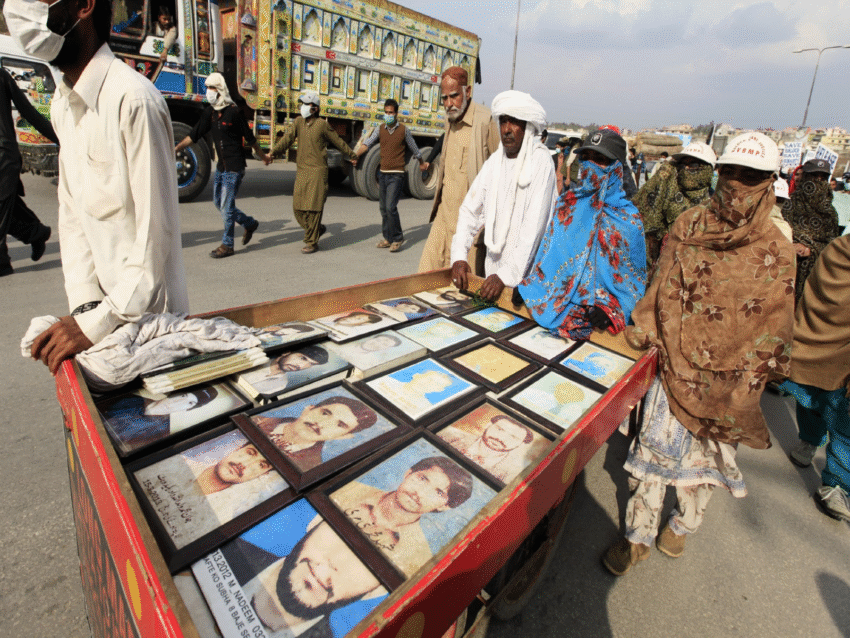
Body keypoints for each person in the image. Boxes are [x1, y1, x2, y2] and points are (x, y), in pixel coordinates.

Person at [602, 131, 795, 576]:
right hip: (676, 362)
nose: (737, 183)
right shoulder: (689, 224)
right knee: (653, 455)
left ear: (769, 181)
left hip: (733, 377)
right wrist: (645, 328)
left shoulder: (777, 244)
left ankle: (682, 527)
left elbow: (777, 317)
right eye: (731, 172)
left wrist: (754, 376)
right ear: (718, 173)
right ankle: (636, 537)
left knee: (707, 462)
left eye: (751, 176)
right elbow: (661, 284)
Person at [11, 0, 191, 373]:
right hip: (103, 323)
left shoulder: (134, 100)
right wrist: (85, 310)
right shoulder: (63, 104)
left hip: (152, 327)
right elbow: (72, 215)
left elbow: (155, 232)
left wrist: (98, 322)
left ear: (83, 6)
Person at [518, 128, 647, 340]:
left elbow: (634, 284)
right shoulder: (566, 206)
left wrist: (614, 311)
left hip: (602, 334)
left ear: (617, 168)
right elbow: (548, 258)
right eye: (586, 157)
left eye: (600, 159)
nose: (590, 165)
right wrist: (531, 288)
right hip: (551, 312)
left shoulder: (628, 221)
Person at [450, 90, 555, 302]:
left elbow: (533, 230)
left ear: (528, 126)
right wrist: (459, 257)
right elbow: (470, 210)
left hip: (525, 282)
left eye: (514, 122)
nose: (506, 129)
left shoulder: (540, 162)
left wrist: (506, 276)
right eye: (503, 121)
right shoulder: (494, 162)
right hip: (493, 278)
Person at [780, 235, 850, 521]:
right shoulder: (839, 250)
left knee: (846, 418)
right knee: (812, 394)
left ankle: (837, 484)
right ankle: (809, 440)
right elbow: (818, 295)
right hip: (823, 340)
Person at [223, 519, 385, 638]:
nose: (332, 565)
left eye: (367, 561)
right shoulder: (227, 549)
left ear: (377, 591)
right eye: (341, 533)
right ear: (315, 522)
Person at [174, 73, 271, 258]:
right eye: (207, 88)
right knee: (219, 203)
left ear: (220, 90)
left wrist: (264, 157)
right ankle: (249, 223)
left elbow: (250, 139)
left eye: (211, 88)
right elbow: (194, 135)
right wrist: (177, 148)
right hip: (221, 167)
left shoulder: (234, 112)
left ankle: (227, 244)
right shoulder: (210, 113)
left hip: (234, 167)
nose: (208, 92)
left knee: (226, 206)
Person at [418, 66, 499, 273]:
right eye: (444, 98)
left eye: (454, 96)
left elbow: (501, 170)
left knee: (463, 286)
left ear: (468, 91)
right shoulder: (450, 119)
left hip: (471, 228)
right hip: (443, 219)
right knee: (425, 277)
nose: (449, 103)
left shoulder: (485, 121)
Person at [332, 456, 473, 576]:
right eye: (422, 479)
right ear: (408, 473)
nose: (420, 493)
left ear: (444, 506)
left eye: (438, 492)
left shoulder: (418, 559)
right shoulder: (346, 490)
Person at [271, 91, 357, 254]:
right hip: (303, 170)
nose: (302, 107)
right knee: (298, 208)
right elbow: (287, 140)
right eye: (302, 104)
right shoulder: (298, 122)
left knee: (313, 208)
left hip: (318, 172)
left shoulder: (322, 125)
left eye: (306, 104)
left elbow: (337, 141)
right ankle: (316, 229)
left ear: (315, 108)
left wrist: (352, 155)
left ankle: (311, 242)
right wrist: (273, 153)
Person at [0, 66, 58, 277]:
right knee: (9, 208)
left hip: (3, 157)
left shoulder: (2, 77)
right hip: (6, 158)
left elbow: (28, 112)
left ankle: (2, 263)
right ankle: (35, 232)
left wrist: (61, 138)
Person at [353, 98, 428, 253]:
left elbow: (414, 147)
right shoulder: (380, 129)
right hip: (383, 174)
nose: (388, 115)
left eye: (391, 113)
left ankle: (398, 237)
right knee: (383, 208)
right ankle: (388, 238)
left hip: (397, 175)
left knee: (390, 207)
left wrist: (421, 162)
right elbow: (367, 144)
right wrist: (356, 155)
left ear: (396, 113)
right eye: (386, 112)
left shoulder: (404, 130)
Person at [633, 142, 717, 265]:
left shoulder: (717, 204)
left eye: (693, 165)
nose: (686, 169)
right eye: (682, 165)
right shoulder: (667, 193)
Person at [253, 395, 377, 469]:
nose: (321, 424)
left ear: (343, 437)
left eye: (340, 425)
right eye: (325, 413)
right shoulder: (253, 420)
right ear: (309, 409)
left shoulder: (308, 468)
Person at [781, 158, 840, 305]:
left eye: (823, 178)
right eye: (814, 177)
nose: (818, 182)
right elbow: (777, 234)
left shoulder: (830, 213)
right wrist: (792, 246)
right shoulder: (789, 205)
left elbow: (832, 248)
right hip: (786, 274)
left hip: (814, 280)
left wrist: (811, 250)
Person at [98, 386, 218, 448]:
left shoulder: (161, 433)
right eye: (183, 396)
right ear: (175, 392)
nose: (178, 403)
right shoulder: (133, 398)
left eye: (190, 403)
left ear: (188, 409)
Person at [440, 414, 535, 482]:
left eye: (513, 437)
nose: (501, 438)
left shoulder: (513, 473)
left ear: (520, 444)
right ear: (488, 425)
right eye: (499, 429)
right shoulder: (449, 434)